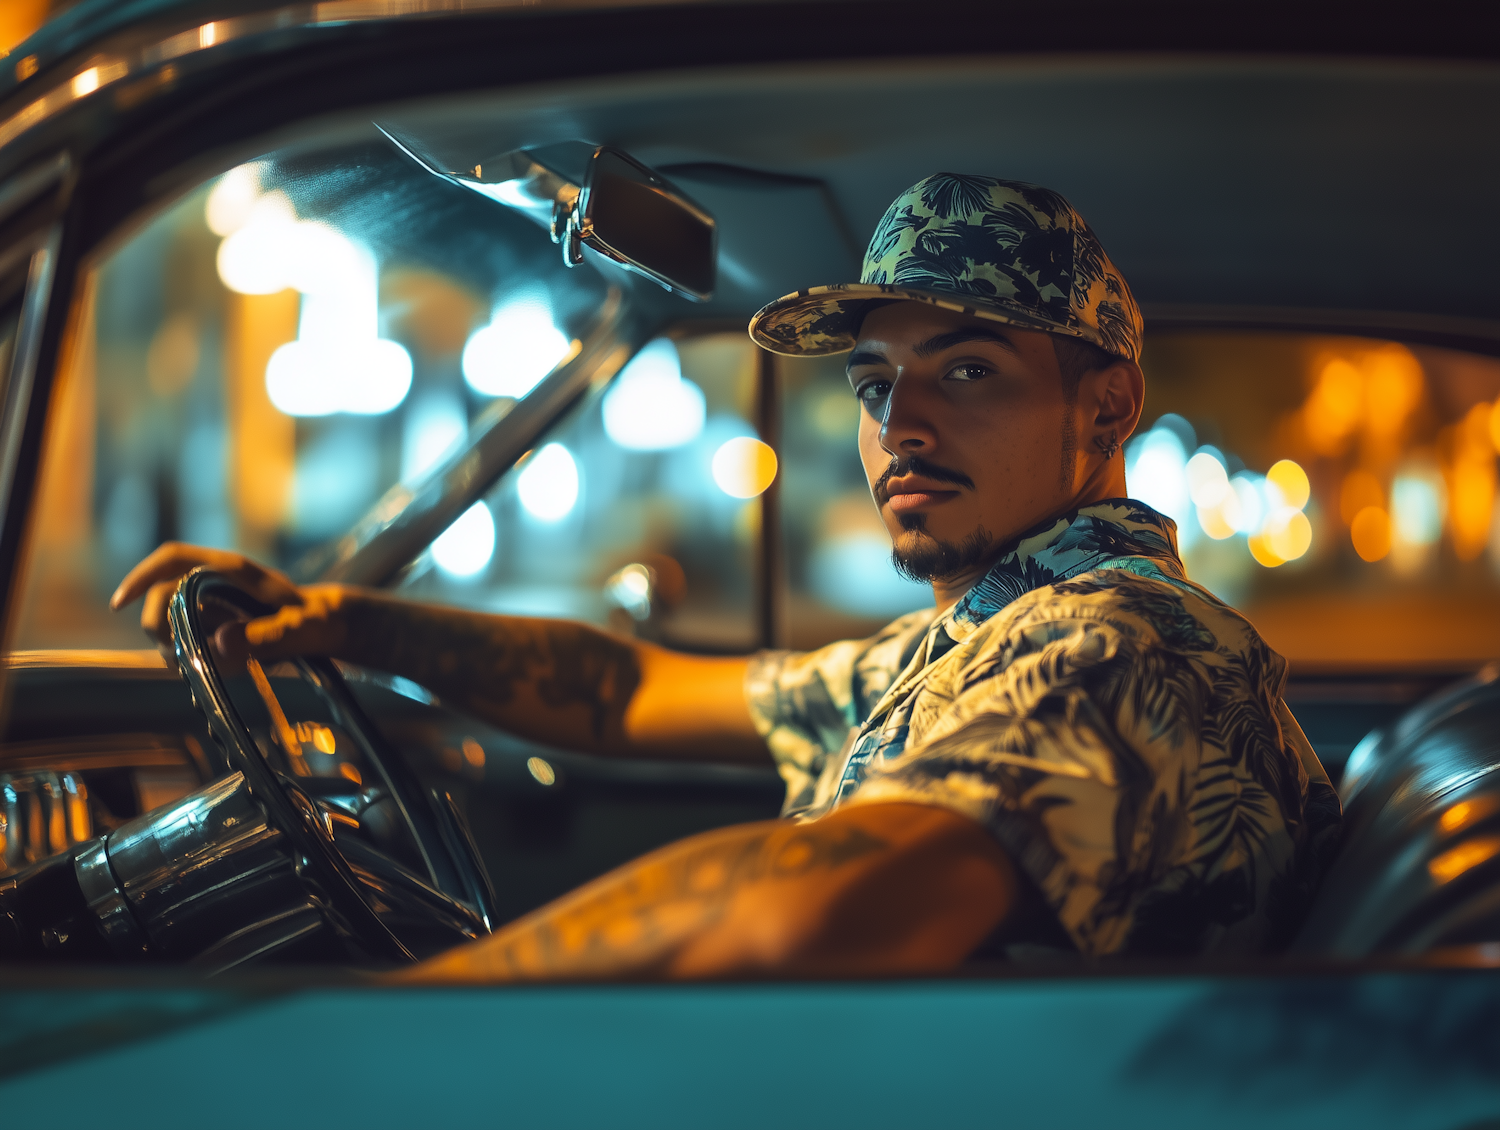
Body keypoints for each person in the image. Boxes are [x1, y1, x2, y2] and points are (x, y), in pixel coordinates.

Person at [111, 174, 1341, 980]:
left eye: (966, 372)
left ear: (1107, 404)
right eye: (873, 383)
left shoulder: (1121, 644)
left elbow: (819, 905)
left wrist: (393, 1020)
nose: (900, 422)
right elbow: (628, 693)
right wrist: (344, 621)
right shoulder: (980, 638)